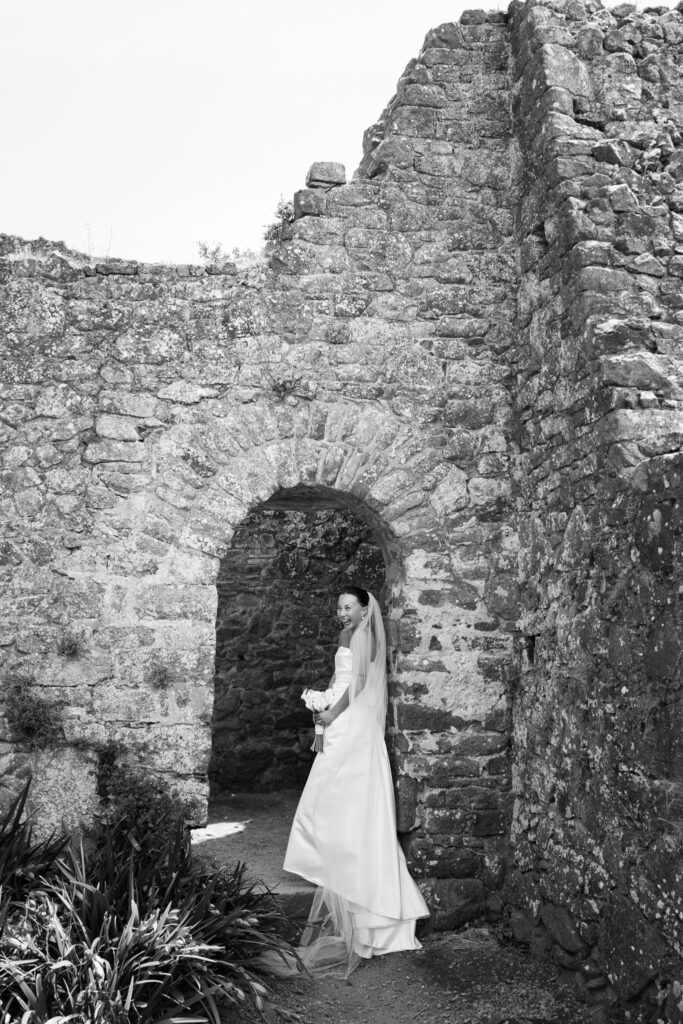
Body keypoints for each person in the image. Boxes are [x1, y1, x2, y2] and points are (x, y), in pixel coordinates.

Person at [282, 586, 429, 977]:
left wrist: (332, 715)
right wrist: (323, 699)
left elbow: (360, 684)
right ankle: (330, 852)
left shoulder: (368, 634)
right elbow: (340, 676)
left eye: (348, 607)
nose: (342, 613)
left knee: (342, 787)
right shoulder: (347, 635)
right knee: (330, 787)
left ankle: (353, 866)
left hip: (355, 720)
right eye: (339, 607)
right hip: (341, 714)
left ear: (365, 610)